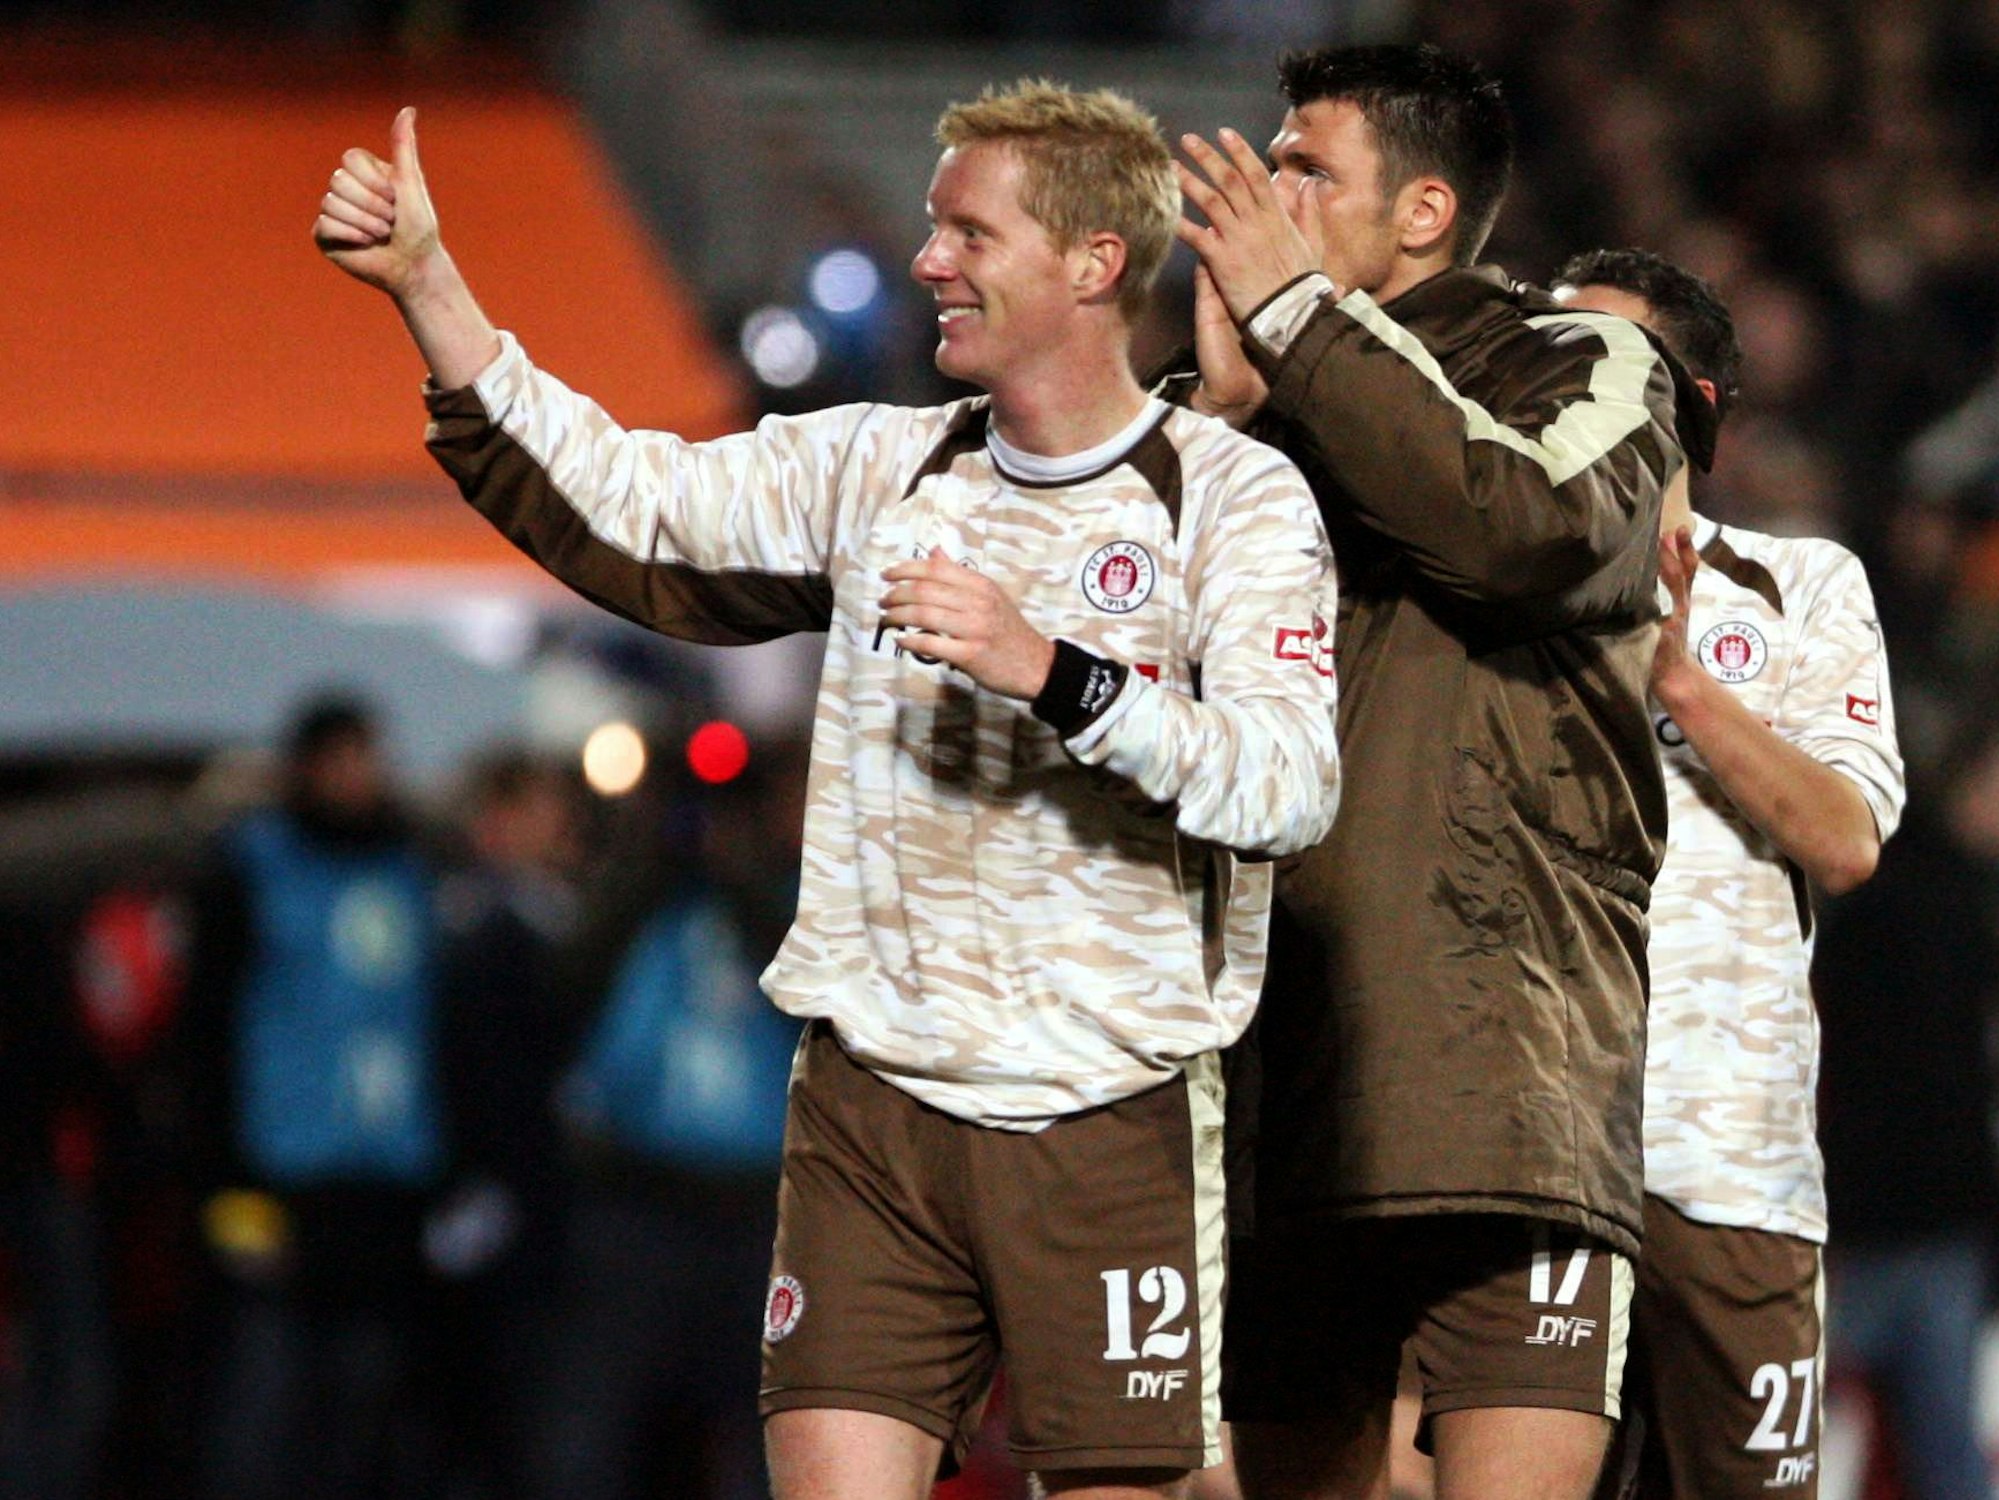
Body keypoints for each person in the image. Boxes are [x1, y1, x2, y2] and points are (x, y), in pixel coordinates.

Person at [314, 81, 1343, 1500]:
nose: (928, 262)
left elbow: (1287, 784)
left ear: (1092, 260)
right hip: (872, 1108)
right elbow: (628, 498)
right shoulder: (878, 468)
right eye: (932, 228)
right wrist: (430, 287)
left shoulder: (1228, 500)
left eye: (967, 232)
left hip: (1107, 1115)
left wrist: (1055, 672)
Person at [1168, 44, 1699, 1500]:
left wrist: (1291, 326)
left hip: (1496, 1081)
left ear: (1417, 212)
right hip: (1272, 1078)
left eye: (1304, 170)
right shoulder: (1224, 402)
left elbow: (1523, 526)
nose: (1265, 197)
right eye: (1265, 163)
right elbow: (1094, 654)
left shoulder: (1580, 359)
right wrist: (1225, 423)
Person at [1552, 250, 1906, 1499]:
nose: (1561, 387)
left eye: (1600, 360)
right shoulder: (1484, 595)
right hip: (1531, 1160)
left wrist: (1685, 686)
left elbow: (1846, 835)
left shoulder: (1803, 585)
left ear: (1690, 406)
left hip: (1730, 1162)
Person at [179, 693, 445, 1500]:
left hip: (385, 1186)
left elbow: (439, 1029)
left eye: (368, 758)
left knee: (366, 1408)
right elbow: (207, 1037)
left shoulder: (412, 872)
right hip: (274, 1181)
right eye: (339, 759)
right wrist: (224, 1189)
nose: (357, 778)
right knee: (262, 1408)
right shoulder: (248, 872)